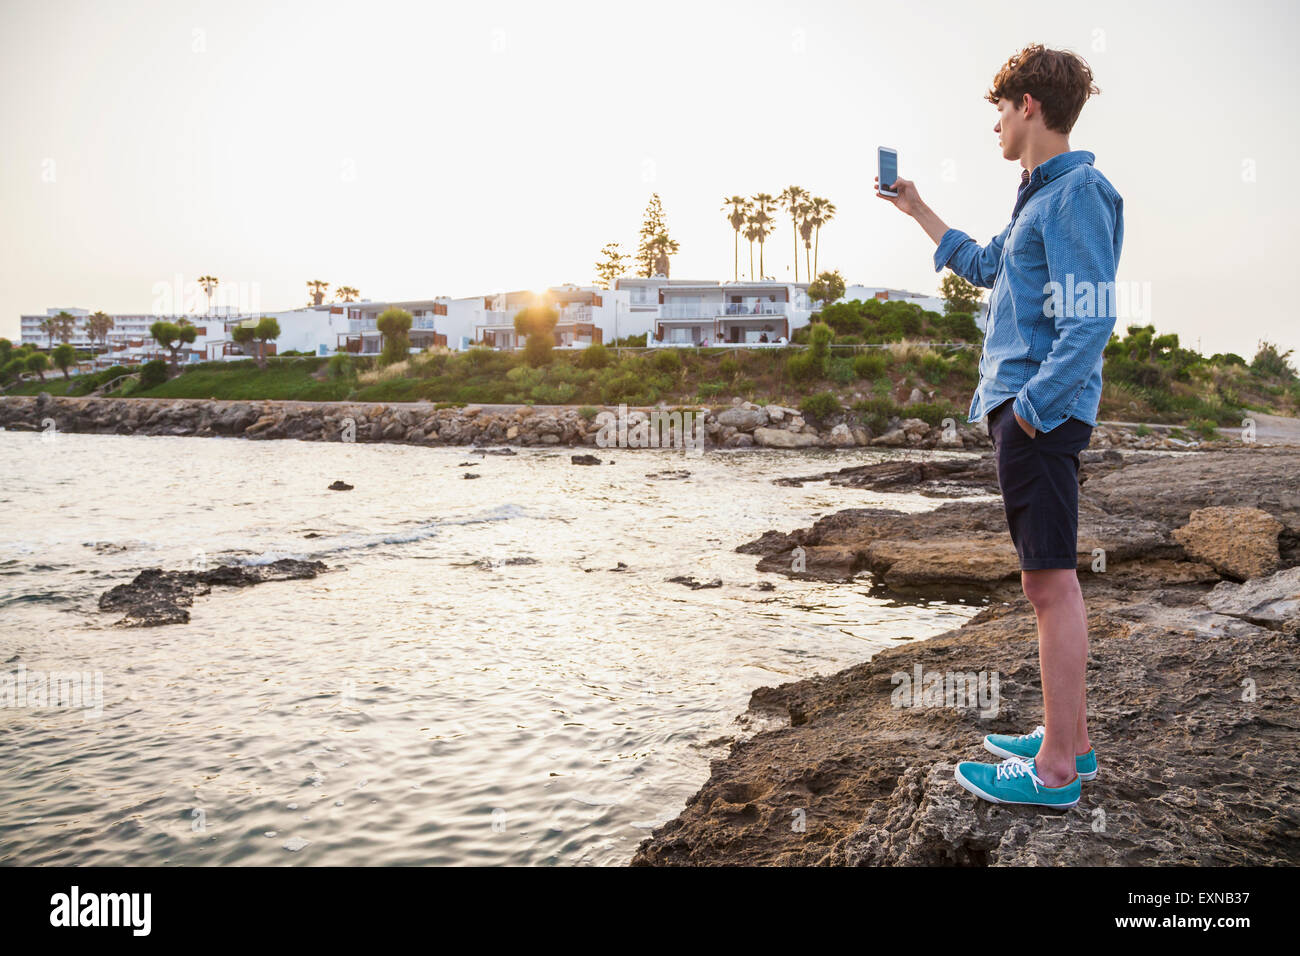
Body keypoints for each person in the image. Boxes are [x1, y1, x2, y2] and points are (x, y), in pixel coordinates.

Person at [877, 43, 1123, 810]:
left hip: (1039, 414)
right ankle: (1071, 745)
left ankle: (1052, 772)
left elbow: (1092, 319)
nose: (992, 125)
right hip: (1028, 412)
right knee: (1049, 578)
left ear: (1029, 107)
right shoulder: (1037, 196)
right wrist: (916, 207)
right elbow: (987, 264)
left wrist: (1031, 410)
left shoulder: (1077, 191)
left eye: (999, 108)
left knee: (1049, 585)